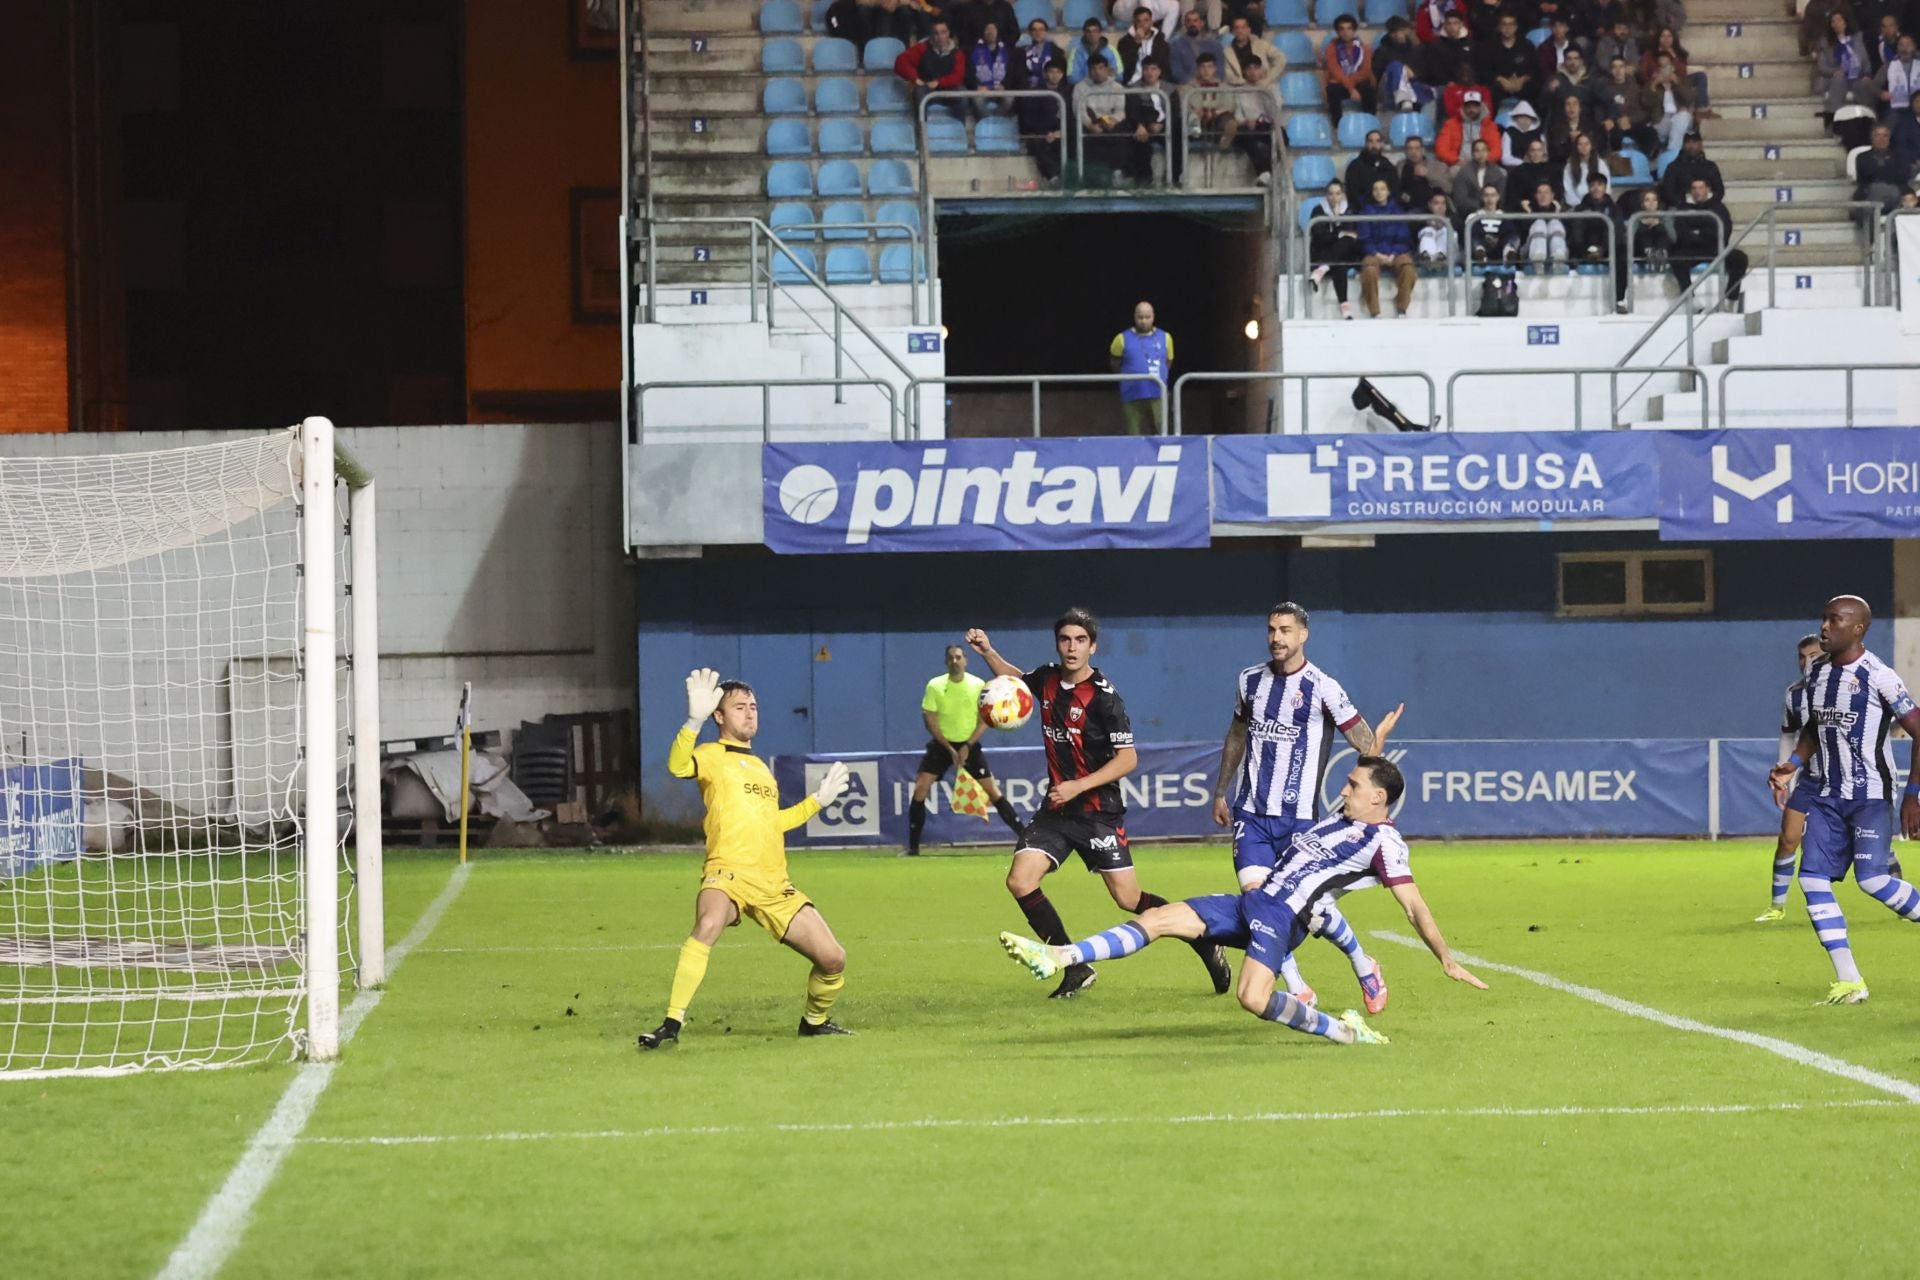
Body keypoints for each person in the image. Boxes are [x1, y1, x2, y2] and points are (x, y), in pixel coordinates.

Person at [998, 757, 1488, 1044]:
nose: (1344, 789)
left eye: (1354, 785)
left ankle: (1342, 1031)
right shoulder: (1344, 818)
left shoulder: (1385, 843)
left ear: (1379, 799)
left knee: (1252, 998)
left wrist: (1445, 958)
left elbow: (1414, 906)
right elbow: (1374, 774)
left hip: (1286, 916)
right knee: (1158, 918)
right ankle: (1061, 955)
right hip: (1254, 901)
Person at [966, 613, 1232, 1000]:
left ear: (1093, 646)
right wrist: (988, 652)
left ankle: (1202, 937)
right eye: (1064, 639)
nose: (1071, 647)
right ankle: (1074, 967)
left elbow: (1128, 759)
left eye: (1079, 640)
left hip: (1097, 813)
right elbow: (1016, 683)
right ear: (1058, 644)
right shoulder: (1048, 678)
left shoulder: (1105, 699)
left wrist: (1078, 786)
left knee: (1127, 899)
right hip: (1058, 811)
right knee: (1020, 880)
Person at [636, 672, 856, 1050]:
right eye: (739, 707)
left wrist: (817, 801)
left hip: (773, 883)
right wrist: (693, 721)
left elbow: (774, 824)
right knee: (707, 924)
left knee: (834, 959)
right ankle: (671, 1024)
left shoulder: (760, 769)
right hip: (728, 872)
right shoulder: (711, 755)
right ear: (719, 716)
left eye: (753, 707)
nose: (750, 714)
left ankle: (814, 1023)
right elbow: (676, 766)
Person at [1211, 603, 1403, 1008]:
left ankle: (1363, 965)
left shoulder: (1323, 687)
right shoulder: (1249, 681)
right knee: (1258, 899)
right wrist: (1220, 791)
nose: (1276, 638)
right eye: (1271, 629)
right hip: (1251, 815)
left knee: (1311, 907)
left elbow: (1364, 745)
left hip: (1299, 821)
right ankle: (1298, 987)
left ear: (1303, 636)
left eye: (1285, 630)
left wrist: (1378, 747)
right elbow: (1235, 735)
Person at [1768, 597, 1920, 1005]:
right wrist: (1793, 764)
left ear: (1858, 629)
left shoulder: (1880, 677)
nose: (1824, 626)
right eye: (1823, 618)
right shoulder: (1817, 672)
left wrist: (1913, 795)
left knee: (1873, 880)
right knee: (1812, 879)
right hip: (1826, 795)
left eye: (1835, 620)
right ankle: (1850, 979)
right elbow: (1817, 727)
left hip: (1869, 795)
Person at [907, 645, 1024, 857]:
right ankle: (913, 848)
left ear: (965, 660)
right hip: (942, 746)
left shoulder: (978, 685)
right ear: (946, 662)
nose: (955, 661)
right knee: (921, 788)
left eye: (958, 657)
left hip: (969, 745)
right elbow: (930, 720)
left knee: (993, 792)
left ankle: (1026, 840)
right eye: (951, 658)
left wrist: (968, 746)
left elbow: (985, 719)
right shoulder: (935, 685)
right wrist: (949, 748)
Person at [1757, 633, 1829, 923]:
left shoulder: (1846, 687)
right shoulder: (1793, 694)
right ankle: (1777, 906)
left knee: (1868, 845)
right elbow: (1789, 735)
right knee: (1788, 837)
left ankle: (1902, 900)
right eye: (1802, 656)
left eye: (1813, 654)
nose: (1806, 661)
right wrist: (1783, 773)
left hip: (1848, 779)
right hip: (1811, 778)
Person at [1672, 175, 1744, 308]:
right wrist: (1706, 229)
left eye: (1700, 187)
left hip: (1716, 249)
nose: (1697, 191)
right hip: (1693, 249)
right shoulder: (1683, 208)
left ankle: (1731, 300)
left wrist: (1697, 231)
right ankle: (1692, 302)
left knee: (1740, 258)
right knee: (1677, 260)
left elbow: (1724, 230)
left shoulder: (1718, 207)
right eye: (1694, 188)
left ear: (1707, 189)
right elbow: (1682, 232)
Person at [1358, 177, 1419, 316]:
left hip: (1395, 253)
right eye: (1376, 189)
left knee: (1409, 269)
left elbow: (1404, 238)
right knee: (1369, 271)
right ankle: (1375, 311)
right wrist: (1377, 254)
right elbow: (1364, 239)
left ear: (1388, 192)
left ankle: (1401, 308)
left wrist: (1393, 254)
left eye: (1382, 189)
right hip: (1374, 254)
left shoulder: (1398, 212)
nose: (1379, 192)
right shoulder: (1366, 212)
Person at [1108, 300, 1172, 432]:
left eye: (1147, 317)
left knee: (1162, 429)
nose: (1143, 321)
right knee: (1133, 432)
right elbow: (1115, 364)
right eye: (1140, 317)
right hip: (1132, 393)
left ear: (1153, 316)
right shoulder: (1121, 339)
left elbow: (1168, 362)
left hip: (1157, 392)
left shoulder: (1165, 337)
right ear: (1134, 316)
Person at [1309, 179, 1367, 319]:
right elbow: (1319, 237)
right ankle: (1345, 308)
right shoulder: (1318, 210)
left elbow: (1353, 236)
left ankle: (1321, 269)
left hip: (1347, 253)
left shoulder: (1350, 210)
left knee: (1347, 242)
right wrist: (1337, 227)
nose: (1334, 198)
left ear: (1343, 195)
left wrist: (1336, 225)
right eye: (1331, 194)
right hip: (1324, 252)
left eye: (1337, 194)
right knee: (1338, 266)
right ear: (1326, 195)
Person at [1075, 55, 1134, 180]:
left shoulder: (1117, 87)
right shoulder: (1080, 87)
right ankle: (1094, 175)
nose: (1097, 72)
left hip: (1111, 121)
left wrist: (1112, 121)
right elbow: (1079, 111)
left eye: (1101, 68)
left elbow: (1120, 110)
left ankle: (1118, 172)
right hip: (1091, 122)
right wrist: (1090, 125)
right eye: (1093, 69)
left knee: (1122, 131)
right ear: (1089, 71)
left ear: (1107, 69)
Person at [1613, 185, 1669, 311]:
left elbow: (1673, 236)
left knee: (1659, 229)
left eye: (1654, 200)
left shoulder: (1666, 216)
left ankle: (1660, 252)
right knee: (1644, 233)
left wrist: (1659, 223)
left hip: (1662, 244)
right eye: (1647, 200)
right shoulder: (1634, 218)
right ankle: (1649, 251)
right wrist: (1641, 223)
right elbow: (1629, 239)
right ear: (1642, 203)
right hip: (1640, 248)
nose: (1651, 203)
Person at [1222, 13, 1285, 118]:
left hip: (1263, 85)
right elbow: (1227, 74)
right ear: (1232, 31)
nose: (1240, 31)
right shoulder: (1226, 51)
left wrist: (1267, 78)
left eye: (1243, 27)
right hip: (1241, 89)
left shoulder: (1262, 44)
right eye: (1237, 28)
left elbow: (1281, 58)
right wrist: (1247, 83)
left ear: (1249, 29)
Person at [895, 20, 967, 108]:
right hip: (926, 88)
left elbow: (958, 76)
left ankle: (960, 122)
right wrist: (914, 78)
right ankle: (921, 121)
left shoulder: (958, 54)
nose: (940, 37)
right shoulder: (922, 48)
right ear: (932, 35)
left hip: (948, 89)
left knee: (962, 93)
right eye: (936, 33)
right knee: (919, 92)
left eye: (943, 32)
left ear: (948, 33)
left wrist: (939, 82)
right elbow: (901, 61)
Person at [1596, 55, 1657, 157]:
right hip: (1613, 124)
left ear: (1625, 69)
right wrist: (1611, 120)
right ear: (1610, 70)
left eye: (1621, 66)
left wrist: (1629, 119)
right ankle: (1615, 163)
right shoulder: (1603, 88)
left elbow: (1642, 111)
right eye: (1614, 67)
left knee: (1651, 133)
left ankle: (1646, 162)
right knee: (1610, 134)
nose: (1618, 70)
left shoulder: (1635, 87)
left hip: (1631, 123)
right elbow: (1598, 108)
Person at [1816, 11, 1875, 118]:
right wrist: (1834, 71)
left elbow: (1865, 61)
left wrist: (1866, 74)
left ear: (1845, 22)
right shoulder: (1824, 42)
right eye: (1833, 21)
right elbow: (1822, 66)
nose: (1836, 24)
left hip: (1855, 76)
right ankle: (1832, 117)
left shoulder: (1857, 39)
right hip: (1836, 77)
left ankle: (1868, 118)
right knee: (1839, 80)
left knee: (1863, 85)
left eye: (1839, 20)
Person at [1124, 58, 1175, 181]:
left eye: (1153, 69)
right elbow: (1133, 111)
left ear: (1159, 71)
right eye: (1146, 69)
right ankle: (1144, 179)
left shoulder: (1170, 89)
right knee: (1140, 139)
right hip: (1145, 125)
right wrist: (1140, 125)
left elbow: (1175, 112)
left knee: (1177, 136)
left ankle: (1174, 176)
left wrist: (1163, 124)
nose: (1149, 73)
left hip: (1165, 125)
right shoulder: (1133, 89)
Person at [1019, 59, 1070, 181]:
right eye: (1051, 72)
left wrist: (1060, 132)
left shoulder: (1068, 92)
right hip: (1040, 133)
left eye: (1058, 72)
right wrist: (1047, 133)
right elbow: (1030, 119)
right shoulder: (1036, 92)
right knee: (1037, 143)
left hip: (1061, 132)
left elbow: (1071, 117)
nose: (1054, 75)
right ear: (1045, 74)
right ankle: (1052, 177)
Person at [1478, 10, 1540, 106]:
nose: (1508, 28)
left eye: (1511, 24)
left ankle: (1532, 118)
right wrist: (1501, 80)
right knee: (1491, 90)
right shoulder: (1489, 46)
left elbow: (1535, 68)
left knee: (1535, 88)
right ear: (1499, 27)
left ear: (1516, 27)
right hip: (1500, 84)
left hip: (1521, 84)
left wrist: (1522, 79)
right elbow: (1485, 70)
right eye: (1504, 24)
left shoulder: (1527, 45)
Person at [1325, 14, 1379, 122]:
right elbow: (1336, 72)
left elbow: (1365, 71)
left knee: (1369, 90)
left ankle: (1371, 123)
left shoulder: (1364, 48)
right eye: (1342, 29)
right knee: (1332, 90)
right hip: (1340, 83)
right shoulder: (1332, 48)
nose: (1345, 32)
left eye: (1349, 28)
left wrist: (1352, 87)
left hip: (1359, 82)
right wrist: (1351, 89)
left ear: (1354, 30)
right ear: (1337, 32)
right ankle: (1338, 125)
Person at [1856, 123, 1918, 212]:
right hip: (1870, 195)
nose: (1881, 139)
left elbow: (1903, 177)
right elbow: (1868, 178)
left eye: (1885, 136)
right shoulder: (1862, 157)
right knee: (1879, 188)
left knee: (1907, 198)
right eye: (1877, 135)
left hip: (1896, 195)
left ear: (1889, 138)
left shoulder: (1900, 157)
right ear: (1872, 138)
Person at [1645, 50, 1695, 158]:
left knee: (1682, 116)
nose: (1665, 71)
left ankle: (1671, 152)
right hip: (1661, 121)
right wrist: (1653, 85)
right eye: (1661, 68)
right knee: (1678, 126)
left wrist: (1677, 83)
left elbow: (1689, 99)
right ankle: (1674, 154)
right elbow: (1646, 104)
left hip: (1681, 120)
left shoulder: (1682, 81)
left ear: (1672, 68)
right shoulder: (1651, 85)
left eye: (1667, 66)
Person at [1659, 127, 1723, 206]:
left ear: (1700, 144)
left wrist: (1706, 202)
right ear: (1683, 144)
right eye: (1688, 142)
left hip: (1709, 209)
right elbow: (1668, 192)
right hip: (1682, 210)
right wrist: (1685, 202)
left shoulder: (1710, 166)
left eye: (1694, 142)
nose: (1691, 145)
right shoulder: (1673, 167)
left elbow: (1719, 191)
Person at [1437, 89, 1502, 165]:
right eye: (1468, 106)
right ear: (1463, 107)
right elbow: (1441, 149)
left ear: (1481, 107)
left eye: (1475, 106)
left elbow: (1496, 150)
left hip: (1484, 163)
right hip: (1458, 164)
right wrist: (1456, 161)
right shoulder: (1451, 124)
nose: (1471, 109)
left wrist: (1485, 160)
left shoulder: (1490, 126)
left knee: (1502, 173)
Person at [1167, 7, 1224, 83]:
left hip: (1213, 84)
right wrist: (1193, 83)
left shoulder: (1215, 44)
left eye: (1195, 20)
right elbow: (1177, 71)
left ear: (1202, 23)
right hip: (1188, 87)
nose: (1192, 24)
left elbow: (1220, 68)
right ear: (1185, 24)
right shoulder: (1176, 45)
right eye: (1189, 21)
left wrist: (1212, 81)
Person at [1519, 181, 1570, 264]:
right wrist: (1529, 214)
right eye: (1540, 193)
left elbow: (1567, 235)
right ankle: (1538, 258)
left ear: (1552, 196)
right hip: (1530, 252)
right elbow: (1523, 235)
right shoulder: (1528, 211)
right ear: (1536, 196)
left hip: (1558, 252)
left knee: (1555, 223)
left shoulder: (1560, 211)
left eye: (1546, 192)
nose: (1543, 196)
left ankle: (1558, 257)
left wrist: (1557, 214)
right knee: (1539, 223)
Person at [1451, 133, 1507, 208]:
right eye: (1477, 151)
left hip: (1494, 211)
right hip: (1470, 213)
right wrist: (1481, 207)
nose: (1481, 154)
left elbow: (1502, 196)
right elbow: (1460, 199)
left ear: (1488, 152)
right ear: (1472, 154)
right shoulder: (1464, 173)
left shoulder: (1497, 173)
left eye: (1484, 150)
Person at [968, 21, 1013, 114]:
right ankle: (987, 122)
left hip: (1001, 88)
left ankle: (999, 121)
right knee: (977, 100)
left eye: (993, 29)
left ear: (997, 32)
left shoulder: (1008, 51)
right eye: (987, 29)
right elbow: (969, 73)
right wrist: (977, 86)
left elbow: (1012, 72)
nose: (990, 32)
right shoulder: (973, 51)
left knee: (1009, 99)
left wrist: (1005, 85)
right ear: (983, 33)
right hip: (982, 88)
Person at [1117, 5, 1169, 82]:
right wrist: (1135, 43)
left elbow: (1164, 67)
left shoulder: (1161, 42)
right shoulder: (1124, 42)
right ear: (1134, 23)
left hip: (1155, 83)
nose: (1142, 24)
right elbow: (1123, 65)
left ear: (1151, 22)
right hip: (1132, 83)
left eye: (1146, 20)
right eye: (1139, 21)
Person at [1346, 128, 1399, 202]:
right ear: (1366, 144)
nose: (1374, 145)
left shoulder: (1388, 167)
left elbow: (1394, 192)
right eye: (1371, 141)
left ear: (1382, 144)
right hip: (1363, 211)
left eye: (1378, 141)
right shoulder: (1355, 167)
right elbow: (1352, 194)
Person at [1506, 136, 1557, 210]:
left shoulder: (1552, 171)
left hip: (1549, 209)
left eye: (1539, 150)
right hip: (1524, 210)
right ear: (1528, 152)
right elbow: (1512, 195)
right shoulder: (1517, 172)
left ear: (1543, 152)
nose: (1536, 153)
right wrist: (1521, 203)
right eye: (1533, 150)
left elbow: (1556, 191)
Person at [1067, 17, 1122, 83]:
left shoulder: (1111, 51)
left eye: (1095, 31)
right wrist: (1093, 80)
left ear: (1100, 33)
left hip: (1107, 88)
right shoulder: (1076, 52)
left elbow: (1119, 77)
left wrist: (1104, 78)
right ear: (1084, 33)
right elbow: (1072, 78)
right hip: (1085, 88)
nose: (1092, 34)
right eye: (1088, 32)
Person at [1010, 16, 1059, 89]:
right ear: (1030, 33)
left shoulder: (1056, 52)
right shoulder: (1021, 52)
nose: (1038, 33)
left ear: (1046, 32)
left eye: (1041, 30)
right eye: (1034, 30)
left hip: (1049, 91)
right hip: (1027, 91)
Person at [1875, 33, 1920, 113]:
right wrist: (1880, 93)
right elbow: (1873, 84)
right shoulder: (1889, 65)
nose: (1904, 48)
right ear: (1897, 48)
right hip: (1897, 109)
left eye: (1908, 45)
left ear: (1914, 47)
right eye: (1901, 45)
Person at [1561, 130, 1609, 204]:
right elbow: (1568, 190)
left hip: (1598, 205)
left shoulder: (1600, 164)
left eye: (1587, 144)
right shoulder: (1569, 166)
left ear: (1591, 146)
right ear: (1576, 147)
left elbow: (1607, 186)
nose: (1584, 147)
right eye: (1580, 144)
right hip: (1577, 207)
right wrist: (1580, 207)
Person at [1501, 100, 1545, 167]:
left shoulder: (1538, 133)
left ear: (1532, 119)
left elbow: (1545, 154)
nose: (1524, 120)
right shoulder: (1509, 133)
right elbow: (1505, 158)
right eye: (1521, 117)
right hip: (1515, 169)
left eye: (1527, 117)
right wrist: (1523, 162)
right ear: (1516, 118)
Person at [1894, 89, 1920, 157]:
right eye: (1916, 101)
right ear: (1912, 104)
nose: (1919, 105)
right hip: (1912, 162)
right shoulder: (1903, 122)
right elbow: (1900, 146)